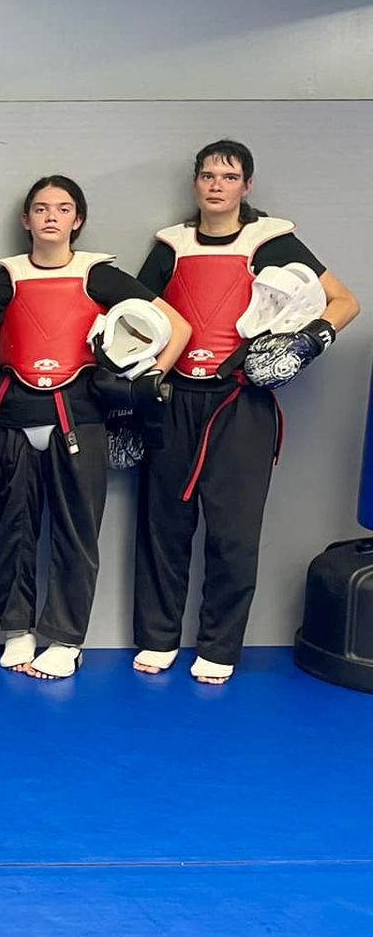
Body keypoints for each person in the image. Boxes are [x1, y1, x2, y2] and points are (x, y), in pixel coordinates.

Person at [131, 139, 357, 684]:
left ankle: (219, 646)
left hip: (241, 400)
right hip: (177, 396)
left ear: (246, 186)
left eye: (228, 177)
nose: (216, 184)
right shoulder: (172, 246)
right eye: (207, 175)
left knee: (233, 532)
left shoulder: (271, 241)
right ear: (195, 184)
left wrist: (307, 341)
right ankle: (159, 638)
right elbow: (136, 314)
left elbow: (344, 302)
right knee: (164, 524)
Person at [0, 175, 188, 680]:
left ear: (77, 219)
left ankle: (66, 640)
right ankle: (16, 629)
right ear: (26, 220)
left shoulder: (100, 276)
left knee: (76, 533)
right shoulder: (5, 278)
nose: (51, 216)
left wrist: (148, 379)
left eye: (62, 208)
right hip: (12, 418)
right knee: (11, 530)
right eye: (40, 208)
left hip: (79, 418)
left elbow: (177, 326)